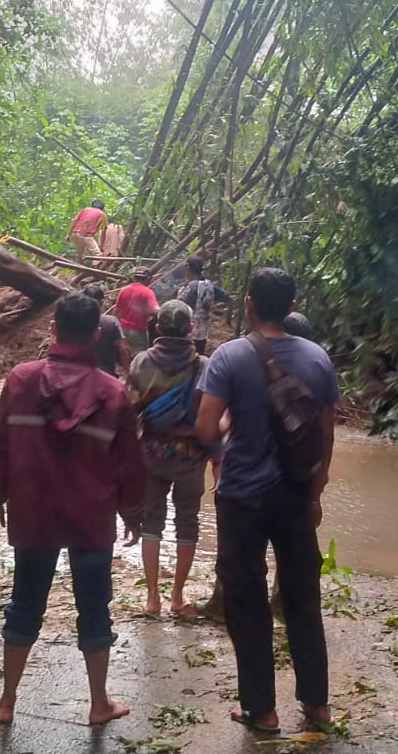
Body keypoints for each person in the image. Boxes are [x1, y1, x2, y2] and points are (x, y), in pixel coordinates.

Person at [0, 292, 145, 727]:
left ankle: (8, 702)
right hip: (92, 518)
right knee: (95, 607)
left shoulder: (20, 380)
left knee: (24, 603)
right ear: (96, 335)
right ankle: (98, 704)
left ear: (53, 329)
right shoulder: (114, 394)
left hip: (33, 512)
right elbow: (128, 462)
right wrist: (133, 512)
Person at [195, 267, 338, 735]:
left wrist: (225, 441)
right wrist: (314, 493)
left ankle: (263, 709)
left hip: (241, 499)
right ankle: (316, 705)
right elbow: (324, 437)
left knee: (247, 600)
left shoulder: (228, 357)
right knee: (302, 598)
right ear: (291, 307)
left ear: (249, 304)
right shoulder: (317, 358)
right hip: (296, 495)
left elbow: (204, 428)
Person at [126, 300, 211, 617]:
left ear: (158, 329)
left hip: (151, 454)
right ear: (190, 328)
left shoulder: (140, 363)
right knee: (187, 522)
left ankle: (152, 599)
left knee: (152, 522)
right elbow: (211, 414)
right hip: (192, 456)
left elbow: (129, 413)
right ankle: (177, 597)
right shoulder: (204, 365)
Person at [178, 255, 231, 354]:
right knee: (199, 353)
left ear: (189, 268)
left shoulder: (192, 286)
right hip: (204, 331)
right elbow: (226, 296)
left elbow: (183, 308)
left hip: (190, 331)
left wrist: (180, 296)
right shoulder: (209, 284)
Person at [82, 283, 131, 377]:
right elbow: (123, 349)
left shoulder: (74, 322)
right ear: (101, 302)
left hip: (82, 376)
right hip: (107, 375)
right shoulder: (111, 321)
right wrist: (127, 371)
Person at [115, 267, 160, 354]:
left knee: (126, 353)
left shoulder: (123, 290)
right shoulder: (147, 292)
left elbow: (117, 311)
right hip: (138, 330)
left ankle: (127, 367)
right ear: (148, 279)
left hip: (123, 329)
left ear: (134, 277)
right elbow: (155, 310)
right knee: (140, 356)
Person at [65, 199, 109, 264]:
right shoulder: (102, 214)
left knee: (80, 255)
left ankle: (78, 271)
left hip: (76, 234)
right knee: (98, 255)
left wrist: (68, 234)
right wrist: (101, 246)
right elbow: (103, 231)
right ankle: (99, 272)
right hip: (87, 236)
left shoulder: (84, 210)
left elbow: (74, 220)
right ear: (102, 208)